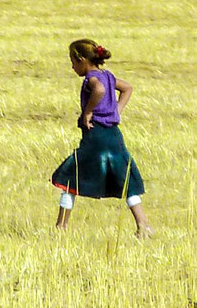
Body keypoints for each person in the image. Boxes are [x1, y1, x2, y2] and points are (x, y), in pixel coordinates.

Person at [51, 39, 153, 238]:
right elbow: (128, 88)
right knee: (124, 177)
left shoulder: (92, 79)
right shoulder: (108, 76)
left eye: (72, 62)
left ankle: (61, 227)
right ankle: (143, 224)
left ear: (82, 60)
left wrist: (88, 113)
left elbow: (99, 91)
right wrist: (117, 111)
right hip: (114, 135)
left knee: (72, 176)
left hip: (96, 136)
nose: (72, 67)